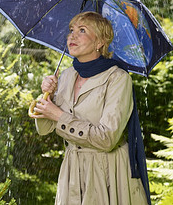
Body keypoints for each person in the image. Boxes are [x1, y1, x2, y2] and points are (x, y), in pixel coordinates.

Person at [31, 11, 150, 205]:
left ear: (100, 42)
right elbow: (44, 129)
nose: (72, 36)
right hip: (72, 170)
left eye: (82, 30)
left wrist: (59, 116)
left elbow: (107, 140)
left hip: (108, 171)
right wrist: (48, 96)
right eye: (71, 30)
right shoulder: (67, 75)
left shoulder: (118, 78)